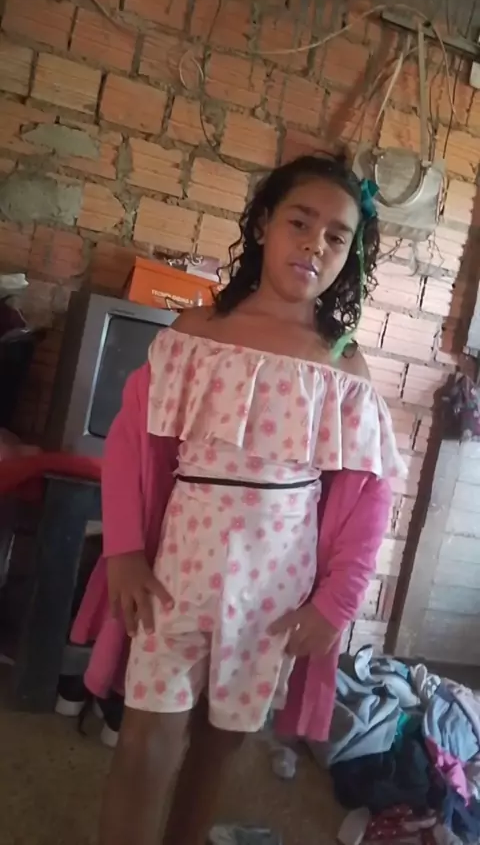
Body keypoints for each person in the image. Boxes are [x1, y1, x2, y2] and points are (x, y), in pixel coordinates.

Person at [95, 155, 405, 845]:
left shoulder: (342, 365)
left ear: (350, 256)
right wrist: (124, 549)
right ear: (263, 225)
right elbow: (129, 446)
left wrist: (336, 603)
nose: (315, 244)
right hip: (177, 572)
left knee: (220, 744)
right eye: (301, 222)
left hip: (276, 591)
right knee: (145, 741)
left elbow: (369, 496)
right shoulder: (195, 335)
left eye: (336, 237)